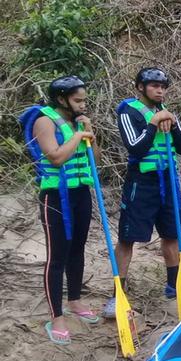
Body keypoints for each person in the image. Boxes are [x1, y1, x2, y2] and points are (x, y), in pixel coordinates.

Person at [106, 67, 181, 318]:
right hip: (140, 182)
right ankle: (118, 294)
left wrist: (174, 126)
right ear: (141, 87)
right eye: (154, 85)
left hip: (167, 180)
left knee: (172, 234)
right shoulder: (128, 111)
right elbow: (136, 148)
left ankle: (174, 286)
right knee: (127, 238)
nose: (160, 90)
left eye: (163, 86)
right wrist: (153, 125)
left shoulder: (166, 113)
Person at [25, 76, 100, 344]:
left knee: (77, 249)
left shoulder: (78, 122)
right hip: (56, 197)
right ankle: (56, 316)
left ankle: (75, 301)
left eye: (84, 100)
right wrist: (79, 135)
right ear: (61, 99)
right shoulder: (44, 121)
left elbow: (95, 161)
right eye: (78, 100)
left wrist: (89, 131)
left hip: (81, 193)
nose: (83, 105)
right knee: (57, 256)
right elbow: (55, 157)